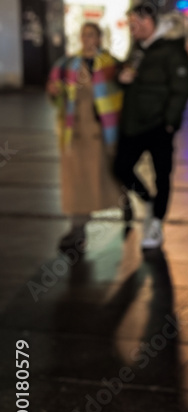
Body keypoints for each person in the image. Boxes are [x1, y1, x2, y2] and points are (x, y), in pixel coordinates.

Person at [114, 4, 188, 250]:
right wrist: (121, 78)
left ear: (147, 21)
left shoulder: (172, 50)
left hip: (159, 125)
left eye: (134, 23)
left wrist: (170, 122)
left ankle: (157, 223)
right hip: (133, 123)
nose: (131, 28)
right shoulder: (138, 48)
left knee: (162, 174)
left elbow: (181, 89)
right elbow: (129, 76)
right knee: (120, 167)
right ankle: (147, 200)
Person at [46, 22, 123, 251]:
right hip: (74, 133)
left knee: (106, 178)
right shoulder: (67, 64)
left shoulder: (110, 65)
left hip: (100, 133)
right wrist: (54, 92)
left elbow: (121, 94)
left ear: (99, 38)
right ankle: (77, 229)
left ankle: (125, 200)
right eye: (84, 35)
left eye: (91, 35)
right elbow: (57, 95)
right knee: (76, 185)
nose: (87, 39)